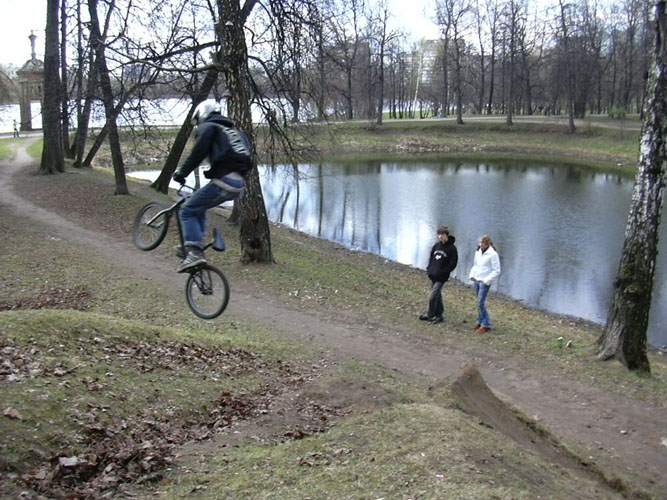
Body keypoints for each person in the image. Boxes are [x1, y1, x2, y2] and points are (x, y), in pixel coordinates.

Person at [172, 100, 252, 272]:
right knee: (198, 207)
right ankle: (195, 245)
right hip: (239, 184)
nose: (198, 124)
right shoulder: (236, 133)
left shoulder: (208, 127)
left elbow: (197, 154)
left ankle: (194, 251)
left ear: (202, 115)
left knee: (187, 210)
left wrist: (182, 173)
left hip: (224, 181)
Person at [419, 225, 458, 324]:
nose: (440, 236)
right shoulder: (436, 246)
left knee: (433, 296)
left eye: (442, 234)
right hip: (433, 275)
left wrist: (444, 272)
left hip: (441, 277)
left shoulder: (452, 248)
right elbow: (431, 259)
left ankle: (430, 314)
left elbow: (453, 264)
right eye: (439, 234)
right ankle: (439, 316)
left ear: (447, 235)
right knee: (437, 295)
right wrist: (429, 269)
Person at [468, 234, 501, 333]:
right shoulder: (478, 252)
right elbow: (475, 265)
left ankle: (486, 323)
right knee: (478, 302)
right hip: (477, 279)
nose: (480, 244)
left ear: (487, 243)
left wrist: (487, 280)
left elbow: (497, 270)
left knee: (480, 302)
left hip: (484, 281)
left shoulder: (493, 254)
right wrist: (472, 275)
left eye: (482, 243)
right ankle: (480, 321)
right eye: (480, 242)